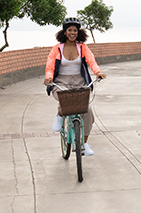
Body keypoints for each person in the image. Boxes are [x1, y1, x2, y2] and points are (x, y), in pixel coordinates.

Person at [43, 18, 105, 155]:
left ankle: (84, 144)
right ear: (65, 32)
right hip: (61, 82)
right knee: (65, 99)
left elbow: (91, 61)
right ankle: (60, 115)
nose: (72, 32)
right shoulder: (57, 48)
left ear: (78, 32)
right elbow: (50, 65)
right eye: (70, 30)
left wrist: (98, 72)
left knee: (87, 110)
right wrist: (49, 77)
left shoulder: (82, 47)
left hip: (79, 82)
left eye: (75, 30)